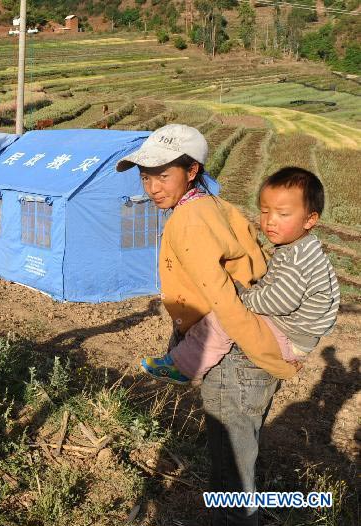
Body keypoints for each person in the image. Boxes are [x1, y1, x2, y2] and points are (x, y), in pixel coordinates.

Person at [115, 124, 299, 526]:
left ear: (192, 170)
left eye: (164, 174)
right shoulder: (215, 205)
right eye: (145, 176)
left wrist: (256, 350)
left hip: (235, 353)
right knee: (240, 451)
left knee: (232, 463)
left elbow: (223, 301)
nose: (153, 186)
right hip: (242, 346)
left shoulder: (191, 219)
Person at [141, 167, 339, 385]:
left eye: (282, 214)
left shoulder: (300, 259)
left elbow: (280, 301)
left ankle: (183, 367)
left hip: (289, 334)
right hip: (295, 331)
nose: (270, 221)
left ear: (310, 220)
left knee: (222, 321)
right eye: (265, 212)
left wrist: (243, 298)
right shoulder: (301, 247)